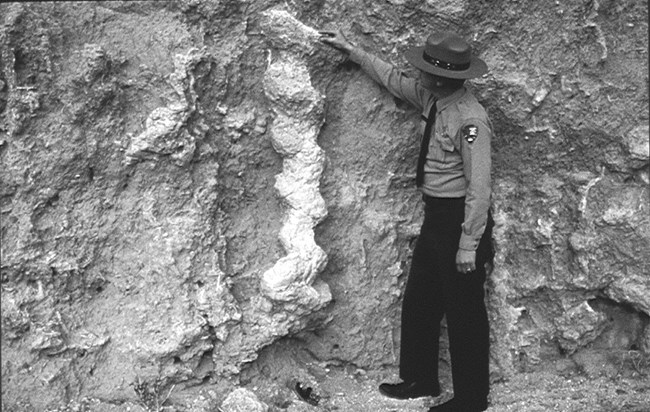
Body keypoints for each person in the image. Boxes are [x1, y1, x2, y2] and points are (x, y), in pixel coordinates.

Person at [320, 29, 495, 412]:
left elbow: (479, 188)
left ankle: (471, 399)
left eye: (426, 69)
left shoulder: (470, 120)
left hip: (459, 220)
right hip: (436, 217)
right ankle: (420, 380)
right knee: (421, 301)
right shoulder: (436, 99)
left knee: (464, 312)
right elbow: (396, 82)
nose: (419, 73)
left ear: (441, 77)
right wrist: (356, 53)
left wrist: (468, 244)